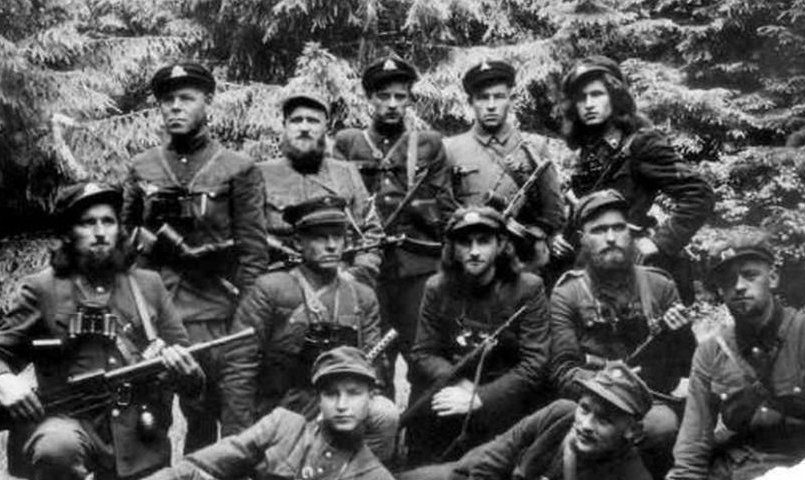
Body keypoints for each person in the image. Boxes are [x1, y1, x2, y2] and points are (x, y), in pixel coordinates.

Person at [0, 182, 205, 480]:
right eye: (88, 223)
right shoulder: (41, 289)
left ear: (119, 229)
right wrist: (4, 381)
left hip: (138, 437)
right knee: (58, 447)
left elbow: (190, 370)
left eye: (108, 221)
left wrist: (186, 371)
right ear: (68, 233)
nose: (100, 232)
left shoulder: (149, 285)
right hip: (65, 423)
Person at [121, 62, 269, 451]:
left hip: (212, 311)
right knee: (148, 417)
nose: (175, 107)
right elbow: (125, 242)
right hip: (152, 313)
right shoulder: (143, 167)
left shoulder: (237, 168)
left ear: (208, 102)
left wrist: (245, 318)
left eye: (186, 98)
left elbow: (253, 252)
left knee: (205, 415)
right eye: (168, 100)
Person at [222, 196, 399, 461]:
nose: (331, 245)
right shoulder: (272, 290)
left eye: (337, 236)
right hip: (281, 409)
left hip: (339, 406)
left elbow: (374, 372)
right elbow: (240, 368)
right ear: (298, 242)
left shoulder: (361, 297)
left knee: (384, 413)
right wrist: (239, 444)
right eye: (319, 237)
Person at [549, 189, 696, 478]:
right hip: (592, 402)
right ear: (582, 238)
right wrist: (610, 394)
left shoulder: (660, 286)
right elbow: (563, 371)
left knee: (661, 425)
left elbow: (688, 366)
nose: (611, 237)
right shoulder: (568, 294)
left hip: (650, 403)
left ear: (630, 233)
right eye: (598, 230)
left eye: (618, 228)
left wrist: (679, 333)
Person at [333, 54, 456, 385]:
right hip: (367, 271)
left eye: (399, 96)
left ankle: (422, 421)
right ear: (369, 98)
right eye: (383, 96)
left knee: (424, 357)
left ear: (409, 99)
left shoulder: (429, 144)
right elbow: (338, 206)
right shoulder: (348, 143)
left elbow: (446, 208)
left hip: (418, 269)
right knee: (371, 361)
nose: (391, 104)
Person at [557, 55, 714, 303]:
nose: (588, 104)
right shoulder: (587, 151)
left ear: (615, 97)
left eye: (597, 94)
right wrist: (562, 237)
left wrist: (659, 243)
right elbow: (587, 210)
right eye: (581, 98)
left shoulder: (641, 144)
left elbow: (699, 193)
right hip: (595, 267)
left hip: (637, 270)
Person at [406, 206, 551, 464]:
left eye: (483, 241)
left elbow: (535, 363)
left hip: (506, 395)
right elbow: (424, 352)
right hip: (453, 387)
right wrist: (459, 384)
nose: (474, 251)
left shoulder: (527, 288)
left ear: (501, 244)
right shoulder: (437, 288)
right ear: (452, 248)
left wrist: (481, 397)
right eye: (465, 242)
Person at [668, 228, 805, 480]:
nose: (739, 286)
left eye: (750, 275)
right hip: (740, 466)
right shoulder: (711, 352)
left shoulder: (801, 333)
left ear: (773, 278)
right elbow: (693, 443)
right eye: (728, 280)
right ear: (720, 290)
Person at [144, 346, 396, 480]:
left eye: (353, 394)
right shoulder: (284, 426)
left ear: (371, 398)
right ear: (319, 398)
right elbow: (200, 466)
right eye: (331, 394)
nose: (342, 404)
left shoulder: (374, 475)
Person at [399, 362, 654, 480]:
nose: (586, 425)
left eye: (605, 421)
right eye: (585, 409)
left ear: (633, 431)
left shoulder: (630, 475)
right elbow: (494, 458)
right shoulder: (560, 414)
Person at [445, 59, 565, 270]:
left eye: (499, 97)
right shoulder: (451, 149)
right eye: (483, 97)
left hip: (522, 261)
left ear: (511, 100)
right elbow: (444, 209)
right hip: (471, 261)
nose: (491, 105)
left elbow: (553, 211)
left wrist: (532, 235)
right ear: (470, 102)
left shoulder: (534, 147)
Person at [259, 91, 383, 285]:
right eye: (296, 120)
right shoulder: (260, 174)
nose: (304, 127)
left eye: (313, 121)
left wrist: (356, 274)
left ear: (326, 126)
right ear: (285, 126)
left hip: (340, 281)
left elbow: (371, 232)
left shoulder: (345, 172)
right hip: (279, 283)